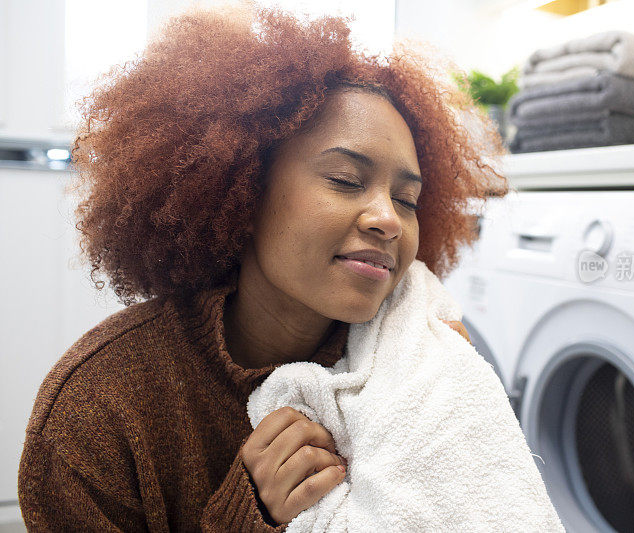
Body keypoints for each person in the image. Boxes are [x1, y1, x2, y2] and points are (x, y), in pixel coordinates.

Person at [18, 4, 507, 531]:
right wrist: (247, 514)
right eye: (345, 179)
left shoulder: (417, 351)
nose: (389, 219)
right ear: (244, 191)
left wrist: (451, 384)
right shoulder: (97, 412)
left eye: (408, 199)